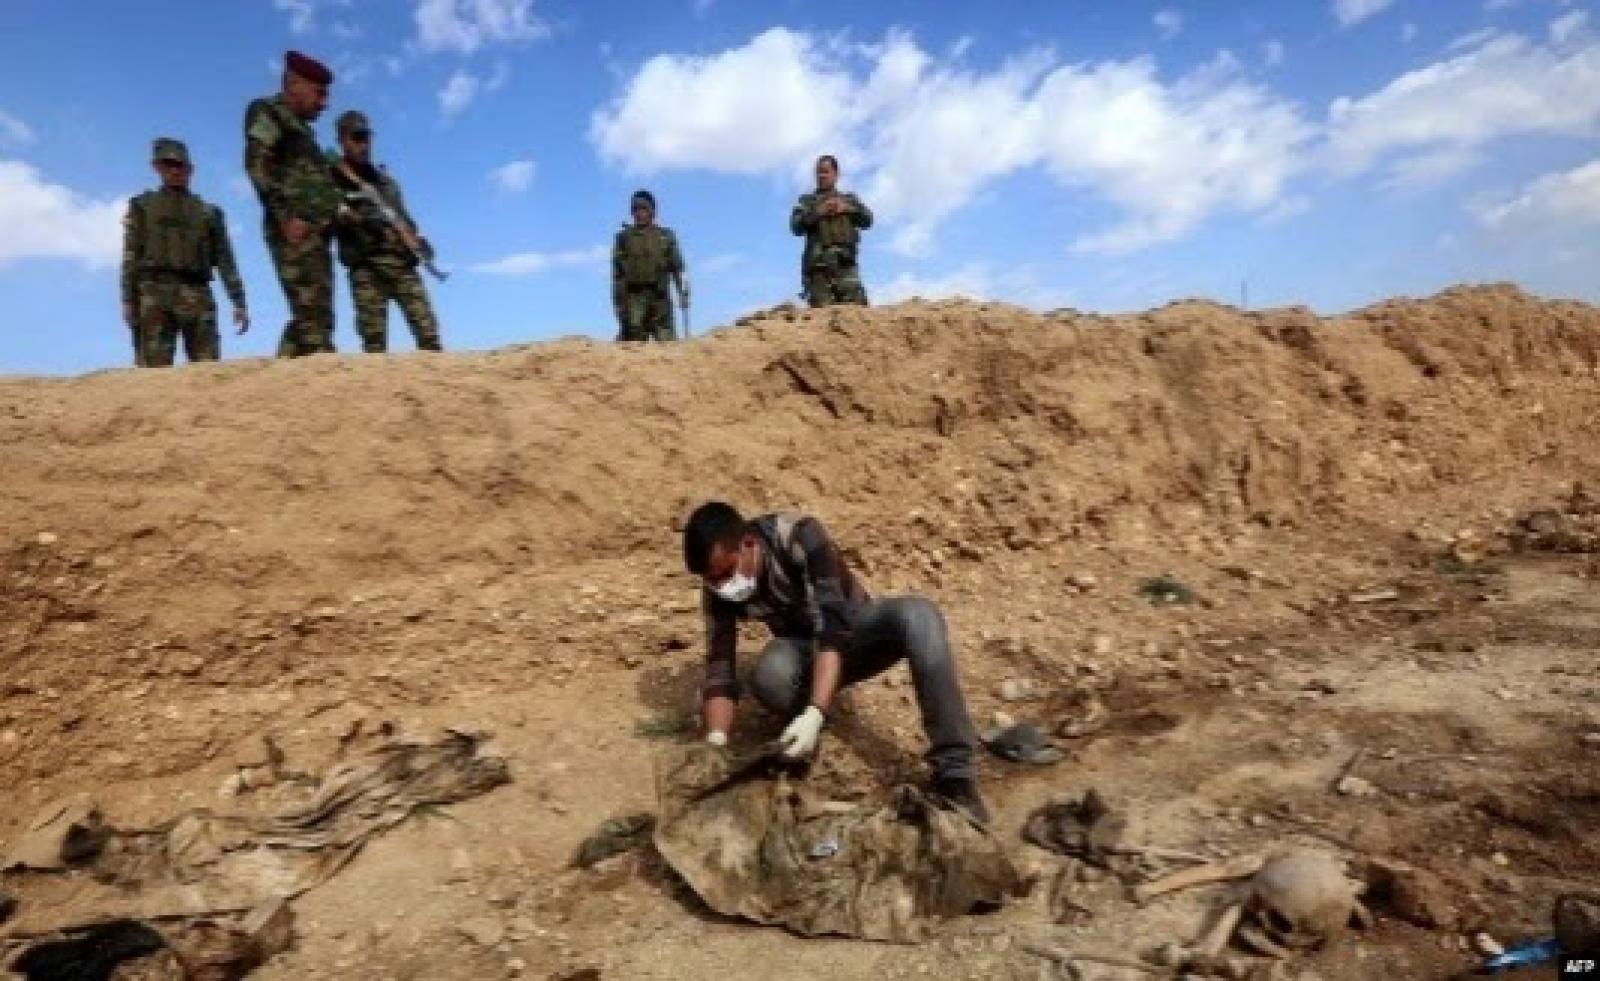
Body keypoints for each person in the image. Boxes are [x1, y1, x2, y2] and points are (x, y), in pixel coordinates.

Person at [681, 502, 990, 824]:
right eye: (712, 581)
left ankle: (956, 775)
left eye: (727, 574)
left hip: (856, 635)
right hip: (806, 654)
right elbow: (720, 667)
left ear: (748, 544)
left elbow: (831, 630)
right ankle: (805, 730)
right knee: (770, 674)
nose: (722, 587)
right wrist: (715, 742)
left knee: (919, 616)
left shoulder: (798, 536)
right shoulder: (718, 588)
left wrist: (815, 712)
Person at [243, 50, 342, 358]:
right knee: (313, 321)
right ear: (294, 83)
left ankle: (282, 382)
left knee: (314, 319)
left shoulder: (305, 134)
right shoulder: (269, 112)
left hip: (315, 235)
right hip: (293, 231)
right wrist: (285, 217)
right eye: (319, 93)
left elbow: (318, 187)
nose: (325, 102)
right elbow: (257, 163)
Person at [120, 138, 248, 368]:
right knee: (153, 373)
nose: (175, 171)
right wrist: (128, 300)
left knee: (207, 370)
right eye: (168, 165)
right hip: (153, 294)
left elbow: (225, 258)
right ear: (156, 167)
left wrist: (238, 301)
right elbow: (131, 255)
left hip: (196, 293)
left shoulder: (209, 213)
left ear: (191, 169)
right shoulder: (142, 207)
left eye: (180, 165)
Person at [330, 110, 443, 353]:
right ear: (342, 140)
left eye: (367, 138)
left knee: (430, 337)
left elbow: (402, 216)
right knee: (374, 346)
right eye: (356, 138)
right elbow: (333, 215)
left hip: (401, 265)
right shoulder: (333, 179)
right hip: (367, 268)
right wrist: (360, 219)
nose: (364, 145)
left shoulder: (385, 182)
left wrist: (419, 240)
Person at [790, 155, 872, 308]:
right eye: (819, 172)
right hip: (819, 270)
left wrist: (847, 209)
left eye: (826, 172)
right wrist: (817, 212)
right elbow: (795, 227)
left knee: (855, 313)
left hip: (846, 267)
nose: (821, 176)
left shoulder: (849, 199)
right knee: (822, 317)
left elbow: (868, 221)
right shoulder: (807, 201)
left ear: (836, 174)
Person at [611, 190, 688, 342]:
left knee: (667, 343)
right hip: (634, 300)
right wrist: (618, 303)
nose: (639, 214)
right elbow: (617, 274)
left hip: (660, 299)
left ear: (652, 211)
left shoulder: (665, 236)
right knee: (633, 343)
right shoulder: (623, 238)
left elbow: (678, 268)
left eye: (643, 209)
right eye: (635, 210)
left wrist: (683, 293)